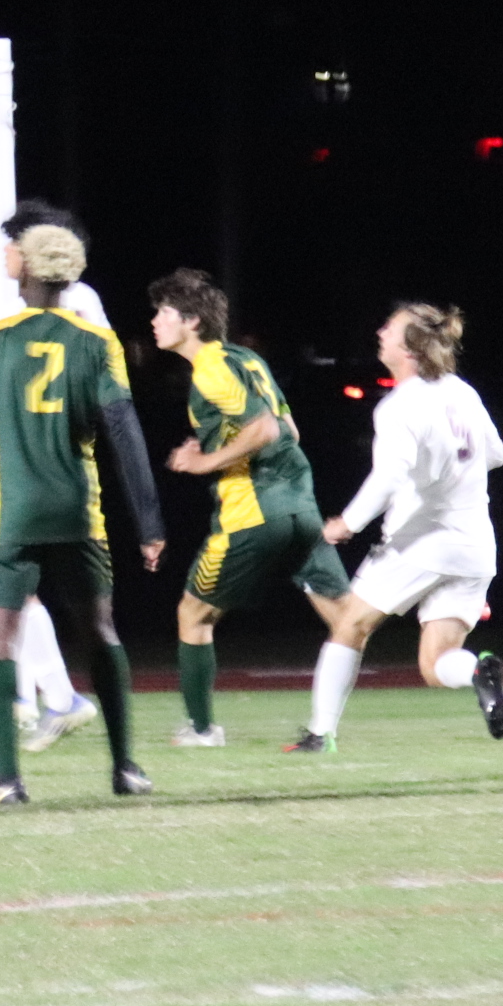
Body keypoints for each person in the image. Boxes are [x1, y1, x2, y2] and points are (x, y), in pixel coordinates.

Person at [0, 223, 163, 807]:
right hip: (79, 513)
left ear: (26, 271)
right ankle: (125, 766)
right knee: (101, 632)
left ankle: (7, 778)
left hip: (14, 515)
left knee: (1, 641)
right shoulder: (95, 342)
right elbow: (125, 433)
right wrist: (150, 523)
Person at [145, 267, 353, 747]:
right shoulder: (247, 358)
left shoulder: (213, 366)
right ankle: (456, 669)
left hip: (252, 514)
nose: (156, 321)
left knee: (192, 615)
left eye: (164, 313)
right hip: (301, 506)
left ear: (192, 321)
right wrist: (219, 440)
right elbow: (291, 430)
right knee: (350, 621)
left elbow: (266, 430)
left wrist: (203, 462)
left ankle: (202, 730)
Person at [293, 303, 503, 751]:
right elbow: (496, 454)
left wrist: (346, 524)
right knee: (436, 665)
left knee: (350, 625)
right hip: (475, 547)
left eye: (389, 329)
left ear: (410, 348)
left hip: (422, 542)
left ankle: (320, 734)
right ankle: (478, 670)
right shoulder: (461, 391)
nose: (380, 332)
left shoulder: (399, 406)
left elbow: (388, 478)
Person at [0, 201, 105, 755]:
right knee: (12, 588)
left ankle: (57, 701)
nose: (6, 255)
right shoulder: (34, 304)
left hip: (47, 467)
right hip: (16, 459)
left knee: (17, 585)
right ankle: (21, 700)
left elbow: (89, 381)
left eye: (13, 244)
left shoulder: (76, 301)